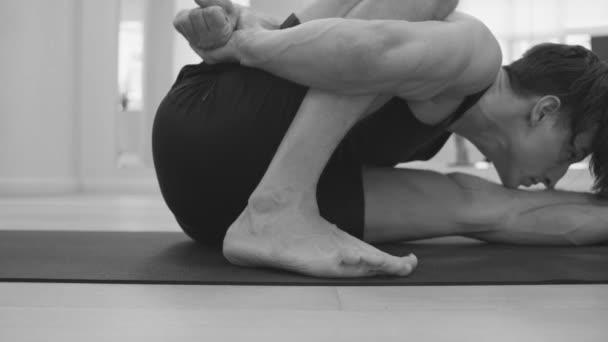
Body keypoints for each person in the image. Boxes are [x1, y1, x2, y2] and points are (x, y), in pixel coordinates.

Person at [153, 0, 608, 278]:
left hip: (212, 211)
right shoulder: (476, 52)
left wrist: (254, 30)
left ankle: (278, 211)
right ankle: (277, 208)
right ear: (544, 111)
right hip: (211, 121)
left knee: (470, 206)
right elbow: (371, 48)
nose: (554, 179)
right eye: (571, 153)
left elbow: (496, 213)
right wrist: (243, 44)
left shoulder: (438, 116)